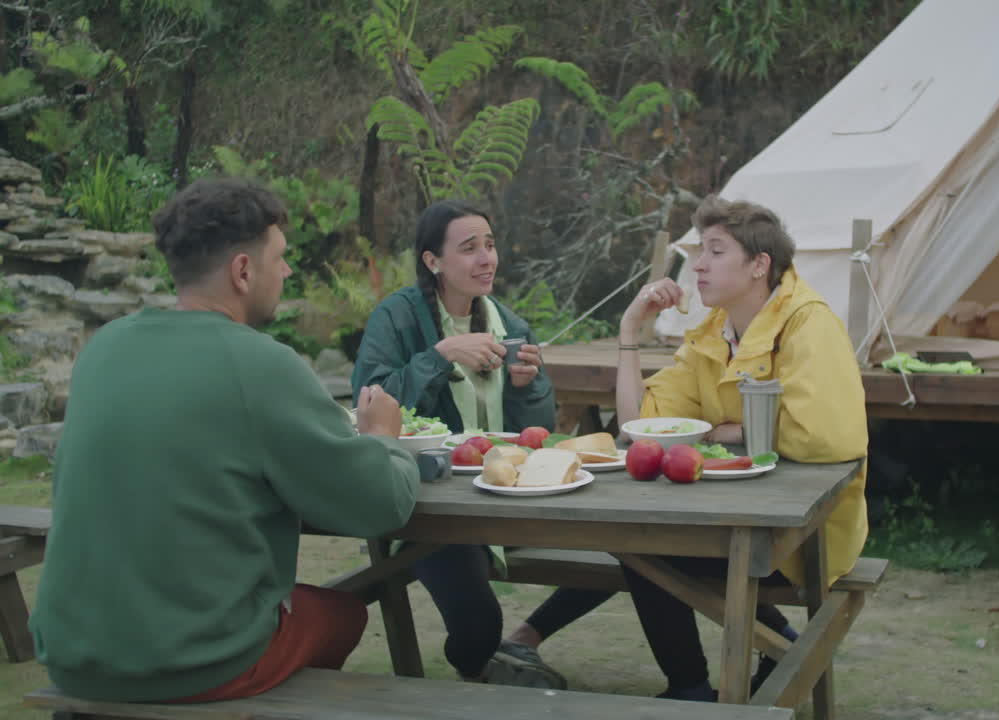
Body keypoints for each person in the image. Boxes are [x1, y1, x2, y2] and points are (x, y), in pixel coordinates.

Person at [28, 178, 420, 703]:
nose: (286, 272)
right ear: (242, 271)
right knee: (344, 612)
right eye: (279, 258)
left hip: (70, 649)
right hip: (192, 660)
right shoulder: (260, 363)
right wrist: (382, 437)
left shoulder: (104, 347)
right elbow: (379, 504)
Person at [614, 195, 870, 701]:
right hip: (729, 515)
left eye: (715, 251)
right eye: (699, 252)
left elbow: (824, 436)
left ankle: (701, 682)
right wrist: (629, 331)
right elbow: (638, 426)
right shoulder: (713, 331)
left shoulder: (807, 322)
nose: (699, 266)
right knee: (639, 539)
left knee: (648, 547)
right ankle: (700, 682)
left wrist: (718, 431)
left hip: (805, 533)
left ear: (759, 266)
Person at [351, 200, 565, 688]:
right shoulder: (398, 317)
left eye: (489, 245)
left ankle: (513, 648)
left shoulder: (509, 326)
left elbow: (538, 434)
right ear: (433, 261)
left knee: (628, 557)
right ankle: (483, 665)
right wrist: (440, 355)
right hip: (428, 504)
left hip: (504, 497)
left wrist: (528, 384)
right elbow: (371, 400)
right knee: (479, 623)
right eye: (469, 249)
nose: (486, 258)